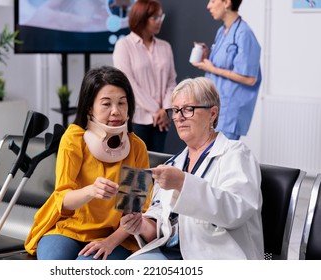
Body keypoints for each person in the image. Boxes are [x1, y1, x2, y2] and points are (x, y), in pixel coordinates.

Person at [120, 77, 264, 259]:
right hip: (173, 253)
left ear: (212, 114)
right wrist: (140, 225)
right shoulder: (175, 163)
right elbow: (161, 224)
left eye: (188, 109)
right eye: (176, 110)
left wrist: (183, 182)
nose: (179, 117)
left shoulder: (236, 154)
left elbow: (235, 211)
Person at [24, 65, 151, 260]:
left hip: (114, 235)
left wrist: (110, 242)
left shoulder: (136, 147)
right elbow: (63, 197)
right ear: (90, 107)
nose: (116, 111)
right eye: (106, 104)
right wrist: (91, 191)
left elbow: (133, 211)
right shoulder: (74, 139)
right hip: (69, 228)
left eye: (122, 103)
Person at [191, 0, 262, 140]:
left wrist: (213, 69)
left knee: (223, 158)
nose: (208, 6)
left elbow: (250, 78)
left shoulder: (244, 33)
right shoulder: (222, 31)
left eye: (212, 1)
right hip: (216, 106)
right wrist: (208, 59)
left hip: (230, 111)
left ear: (227, 3)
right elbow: (222, 64)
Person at [113, 0, 177, 152]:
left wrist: (165, 109)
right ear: (141, 18)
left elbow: (171, 81)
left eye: (161, 17)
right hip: (138, 119)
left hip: (161, 120)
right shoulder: (124, 46)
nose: (159, 22)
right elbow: (128, 84)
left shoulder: (165, 47)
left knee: (158, 167)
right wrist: (156, 110)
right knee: (137, 169)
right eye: (155, 18)